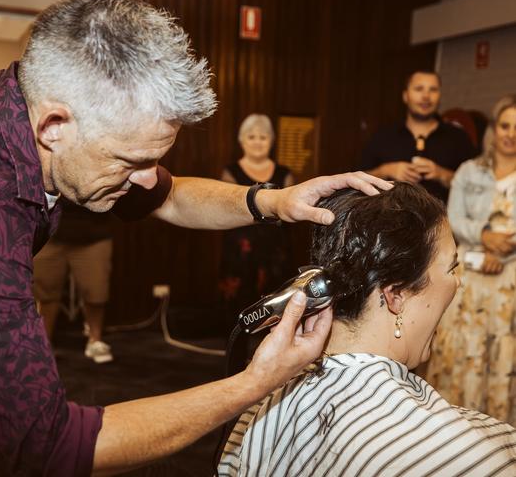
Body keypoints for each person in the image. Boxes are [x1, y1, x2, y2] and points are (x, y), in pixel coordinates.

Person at [0, 0, 390, 476]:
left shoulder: (21, 103)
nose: (146, 178)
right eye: (132, 161)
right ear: (55, 127)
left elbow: (169, 194)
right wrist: (256, 382)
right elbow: (48, 446)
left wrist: (272, 200)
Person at [218, 182, 516, 476]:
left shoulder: (263, 404)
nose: (458, 282)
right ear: (396, 296)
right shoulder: (467, 456)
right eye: (452, 268)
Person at [427, 95, 516, 425]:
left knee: (501, 351)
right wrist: (483, 235)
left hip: (510, 279)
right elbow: (452, 218)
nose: (511, 133)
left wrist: (502, 251)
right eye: (505, 125)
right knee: (463, 349)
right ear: (495, 129)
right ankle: (453, 426)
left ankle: (498, 427)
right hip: (469, 278)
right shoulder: (469, 170)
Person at [220, 114, 295, 318]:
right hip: (240, 254)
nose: (257, 142)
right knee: (238, 309)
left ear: (271, 141)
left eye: (263, 137)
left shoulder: (284, 173)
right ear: (242, 140)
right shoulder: (231, 171)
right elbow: (226, 209)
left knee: (276, 308)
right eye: (251, 137)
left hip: (275, 253)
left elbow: (288, 213)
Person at [361, 70, 477, 203]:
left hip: (444, 220)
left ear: (439, 96)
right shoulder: (382, 136)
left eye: (433, 90)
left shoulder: (458, 137)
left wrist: (442, 174)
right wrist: (386, 170)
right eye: (419, 89)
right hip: (389, 219)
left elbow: (477, 186)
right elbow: (357, 180)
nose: (426, 96)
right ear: (405, 96)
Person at [33, 200, 116, 363]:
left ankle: (95, 340)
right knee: (46, 293)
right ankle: (45, 344)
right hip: (50, 234)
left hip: (94, 234)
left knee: (95, 291)